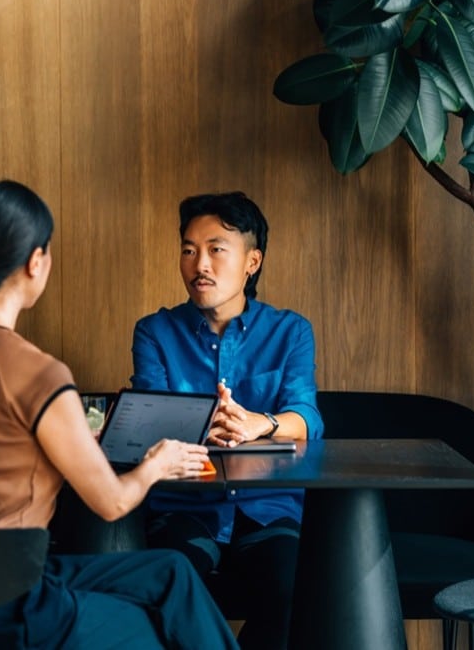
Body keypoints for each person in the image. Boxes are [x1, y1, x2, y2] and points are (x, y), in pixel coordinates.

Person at [0, 180, 240, 650]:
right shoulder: (38, 373)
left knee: (171, 572)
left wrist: (67, 435)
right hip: (10, 604)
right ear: (35, 262)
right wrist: (159, 465)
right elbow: (111, 503)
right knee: (162, 627)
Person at [131, 191, 324, 650]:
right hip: (185, 507)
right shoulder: (154, 332)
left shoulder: (290, 331)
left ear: (251, 261)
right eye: (189, 249)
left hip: (267, 507)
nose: (200, 264)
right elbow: (146, 416)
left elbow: (307, 417)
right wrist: (200, 427)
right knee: (168, 584)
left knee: (292, 588)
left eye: (217, 249)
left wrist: (261, 423)